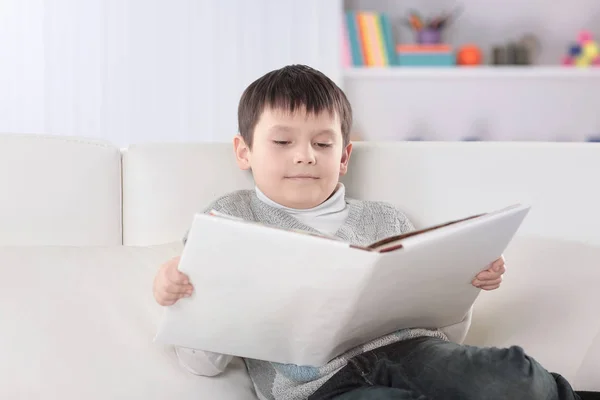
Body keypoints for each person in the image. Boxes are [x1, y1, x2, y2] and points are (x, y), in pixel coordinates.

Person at [152, 64, 583, 400]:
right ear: (244, 151)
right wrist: (187, 294)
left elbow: (447, 337)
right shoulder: (227, 218)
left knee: (509, 379)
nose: (304, 157)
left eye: (322, 144)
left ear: (344, 156)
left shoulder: (385, 219)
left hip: (415, 352)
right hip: (319, 390)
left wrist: (462, 286)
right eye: (282, 143)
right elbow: (201, 365)